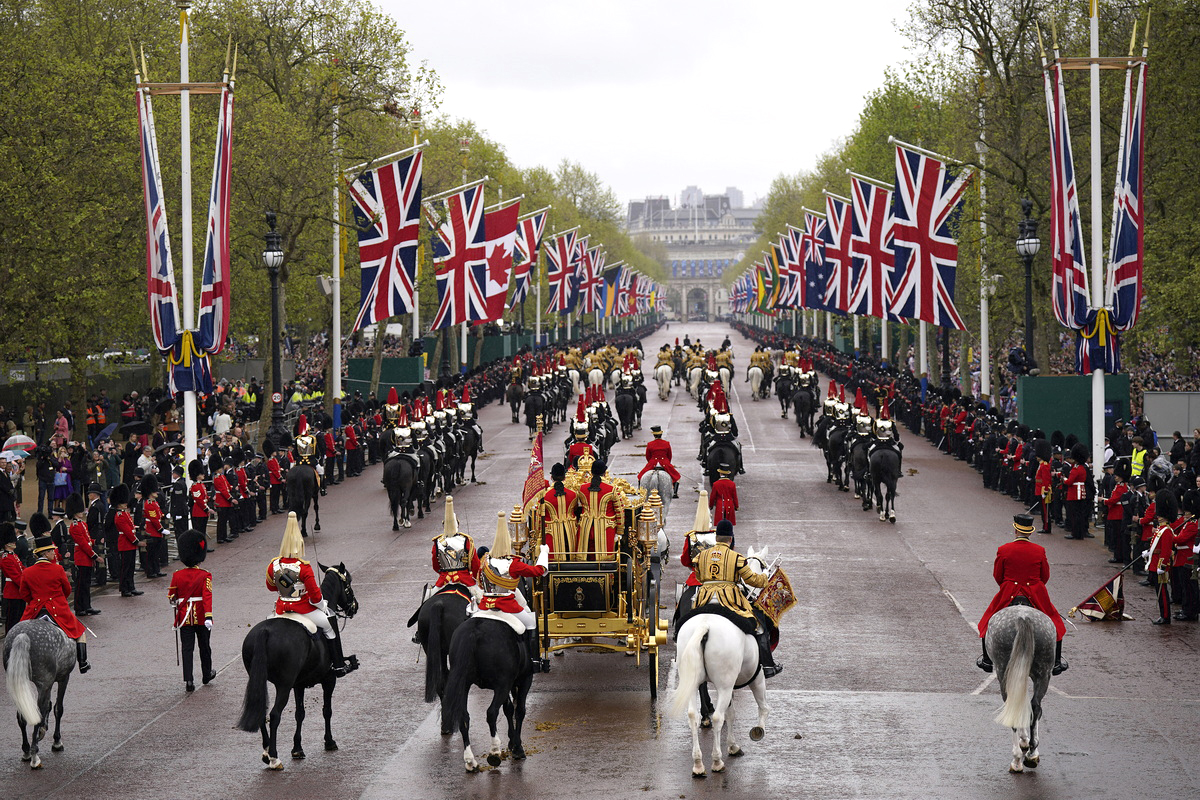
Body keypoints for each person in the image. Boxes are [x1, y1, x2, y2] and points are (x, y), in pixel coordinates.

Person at [686, 518, 781, 678]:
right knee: (759, 625)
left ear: (716, 538)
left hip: (704, 598)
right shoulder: (736, 558)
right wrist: (765, 576)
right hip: (728, 599)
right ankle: (767, 666)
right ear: (730, 539)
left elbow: (700, 577)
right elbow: (753, 581)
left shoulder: (701, 556)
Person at [976, 514, 1068, 675]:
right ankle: (1057, 662)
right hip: (1034, 591)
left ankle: (986, 660)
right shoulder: (1040, 550)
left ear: (1015, 530)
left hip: (1009, 590)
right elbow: (1044, 576)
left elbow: (998, 575)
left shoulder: (1003, 549)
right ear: (1030, 532)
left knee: (988, 620)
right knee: (1055, 623)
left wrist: (1008, 586)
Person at [266, 512, 355, 676]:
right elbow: (315, 596)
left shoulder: (274, 565)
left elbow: (271, 587)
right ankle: (338, 665)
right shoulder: (303, 567)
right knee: (329, 627)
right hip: (302, 608)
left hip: (281, 609)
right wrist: (323, 605)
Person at [475, 510, 550, 672]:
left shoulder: (485, 561)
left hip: (485, 605)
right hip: (507, 605)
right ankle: (533, 661)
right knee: (531, 623)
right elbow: (539, 570)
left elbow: (480, 583)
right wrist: (544, 553)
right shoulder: (513, 564)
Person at [18, 522, 90, 672]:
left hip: (35, 609)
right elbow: (67, 589)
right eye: (51, 551)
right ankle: (83, 663)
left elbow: (24, 594)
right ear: (45, 553)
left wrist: (34, 601)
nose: (53, 553)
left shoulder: (27, 572)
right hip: (55, 608)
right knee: (80, 631)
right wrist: (59, 599)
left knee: (18, 635)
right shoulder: (57, 569)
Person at [168, 529, 216, 692]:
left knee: (187, 649)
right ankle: (206, 673)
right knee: (205, 646)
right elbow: (207, 597)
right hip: (202, 617)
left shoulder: (177, 575)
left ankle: (189, 679)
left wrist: (176, 602)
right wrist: (208, 616)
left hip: (184, 618)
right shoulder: (205, 575)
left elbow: (171, 597)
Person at [1144, 491, 1177, 625]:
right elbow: (1157, 547)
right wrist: (1148, 552)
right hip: (1156, 563)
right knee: (1159, 591)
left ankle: (1165, 616)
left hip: (1160, 566)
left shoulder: (1167, 530)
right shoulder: (1161, 529)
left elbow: (1165, 551)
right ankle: (1163, 614)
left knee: (1163, 593)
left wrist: (1162, 567)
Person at [575, 459, 618, 560]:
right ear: (604, 472)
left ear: (591, 472)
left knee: (587, 554)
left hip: (586, 526)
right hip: (606, 527)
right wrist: (619, 530)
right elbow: (619, 511)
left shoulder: (581, 488)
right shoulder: (611, 489)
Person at [535, 463, 578, 559]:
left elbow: (539, 519)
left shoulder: (544, 497)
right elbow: (574, 510)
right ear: (564, 477)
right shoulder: (573, 494)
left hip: (551, 533)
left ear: (551, 477)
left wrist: (538, 535)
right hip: (570, 532)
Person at [67, 493, 99, 616]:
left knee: (86, 584)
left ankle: (87, 606)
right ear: (75, 512)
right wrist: (95, 556)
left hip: (86, 557)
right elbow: (83, 544)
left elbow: (88, 540)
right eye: (79, 511)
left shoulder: (82, 524)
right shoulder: (74, 526)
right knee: (81, 585)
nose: (82, 512)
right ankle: (79, 607)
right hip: (82, 558)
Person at [111, 483, 142, 597]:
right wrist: (136, 541)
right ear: (119, 504)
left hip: (130, 543)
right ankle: (124, 588)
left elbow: (131, 528)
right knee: (125, 567)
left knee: (131, 567)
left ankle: (131, 586)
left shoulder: (125, 514)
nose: (126, 504)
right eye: (124, 503)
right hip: (125, 543)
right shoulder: (119, 515)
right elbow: (127, 531)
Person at [637, 425, 681, 498]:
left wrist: (651, 462)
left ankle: (639, 491)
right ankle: (675, 493)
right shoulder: (666, 443)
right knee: (677, 477)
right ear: (661, 434)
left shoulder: (650, 444)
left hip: (653, 463)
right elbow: (669, 456)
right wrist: (667, 464)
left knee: (640, 476)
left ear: (654, 435)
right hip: (664, 463)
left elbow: (648, 456)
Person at [140, 476, 166, 578]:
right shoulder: (149, 504)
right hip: (152, 531)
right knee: (151, 553)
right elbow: (154, 519)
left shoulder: (154, 502)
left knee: (156, 553)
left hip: (156, 531)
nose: (157, 492)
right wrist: (161, 529)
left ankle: (156, 569)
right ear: (150, 492)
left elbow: (159, 515)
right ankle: (150, 571)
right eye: (155, 491)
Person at [1, 521, 25, 632]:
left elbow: (22, 570)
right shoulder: (6, 558)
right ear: (6, 543)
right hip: (12, 593)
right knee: (12, 621)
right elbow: (16, 577)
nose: (14, 542)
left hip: (19, 592)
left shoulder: (13, 555)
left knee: (20, 620)